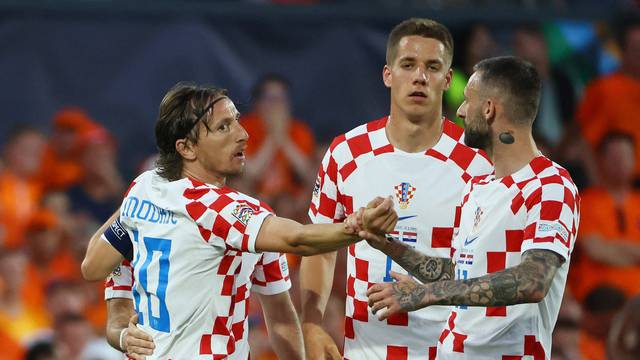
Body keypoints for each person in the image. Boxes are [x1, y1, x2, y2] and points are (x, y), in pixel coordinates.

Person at [81, 82, 396, 359]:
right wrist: (355, 227)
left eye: (237, 122)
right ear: (186, 148)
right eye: (223, 127)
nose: (243, 135)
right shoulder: (226, 210)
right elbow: (296, 239)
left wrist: (136, 203)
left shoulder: (146, 190)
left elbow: (92, 268)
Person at [361, 56, 580, 359]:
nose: (461, 111)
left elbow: (533, 280)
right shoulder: (477, 188)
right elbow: (468, 274)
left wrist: (426, 294)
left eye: (467, 101)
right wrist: (387, 245)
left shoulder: (549, 185)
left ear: (489, 109)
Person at [301, 18, 493, 360]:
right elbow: (320, 246)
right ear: (388, 74)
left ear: (448, 80)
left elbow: (489, 271)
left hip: (452, 351)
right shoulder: (347, 153)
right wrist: (312, 322)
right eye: (408, 65)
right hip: (365, 350)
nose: (420, 76)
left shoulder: (479, 165)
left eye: (432, 67)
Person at [569, 132, 640, 301]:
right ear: (601, 160)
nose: (620, 162)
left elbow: (604, 249)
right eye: (614, 156)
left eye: (625, 156)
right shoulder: (584, 201)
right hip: (598, 297)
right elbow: (596, 250)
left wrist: (613, 248)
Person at [577, 15, 640, 181]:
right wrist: (598, 185)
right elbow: (585, 143)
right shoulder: (605, 89)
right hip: (624, 183)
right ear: (622, 51)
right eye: (637, 49)